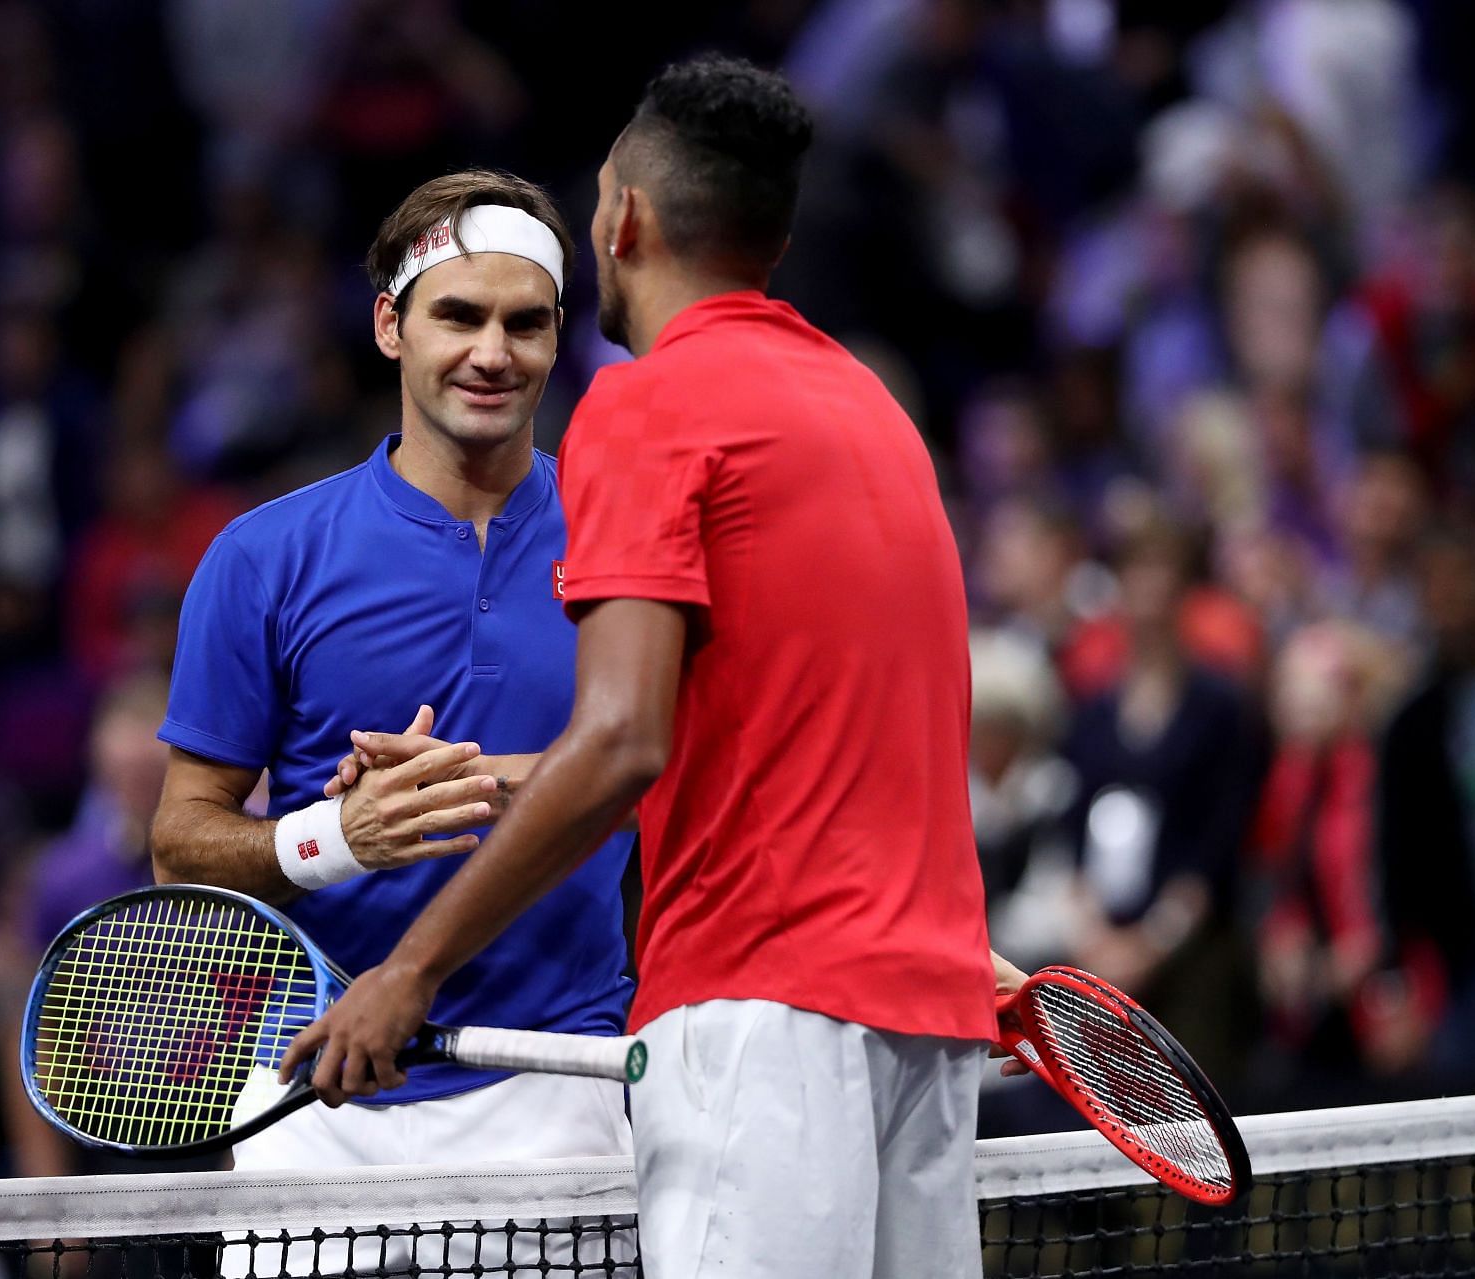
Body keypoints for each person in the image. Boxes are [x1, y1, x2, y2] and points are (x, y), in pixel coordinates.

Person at [284, 56, 1008, 1279]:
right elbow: (775, 728)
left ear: (625, 220)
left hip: (762, 1020)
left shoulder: (646, 406)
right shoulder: (869, 406)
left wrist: (409, 970)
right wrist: (486, 782)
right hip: (927, 1022)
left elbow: (624, 742)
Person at [149, 170, 635, 1271]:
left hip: (556, 1089)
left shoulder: (627, 540)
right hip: (312, 1101)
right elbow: (183, 846)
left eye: (525, 321)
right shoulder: (262, 557)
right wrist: (336, 839)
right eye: (458, 316)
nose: (492, 353)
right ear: (390, 326)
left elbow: (685, 771)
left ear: (561, 336)